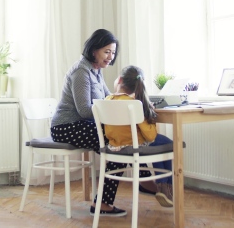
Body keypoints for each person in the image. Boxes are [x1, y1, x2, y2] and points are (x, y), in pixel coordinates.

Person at [50, 29, 158, 217]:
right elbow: (84, 110)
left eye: (113, 52)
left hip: (83, 125)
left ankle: (114, 196)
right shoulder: (81, 72)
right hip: (66, 127)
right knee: (116, 139)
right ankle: (142, 181)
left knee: (118, 139)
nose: (110, 56)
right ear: (94, 50)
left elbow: (110, 98)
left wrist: (135, 101)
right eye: (107, 51)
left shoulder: (96, 71)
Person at [104, 65, 174, 207]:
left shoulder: (107, 100)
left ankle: (162, 187)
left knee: (160, 143)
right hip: (135, 145)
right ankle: (164, 186)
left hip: (115, 145)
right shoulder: (135, 104)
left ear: (120, 80)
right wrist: (151, 118)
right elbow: (150, 136)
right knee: (169, 144)